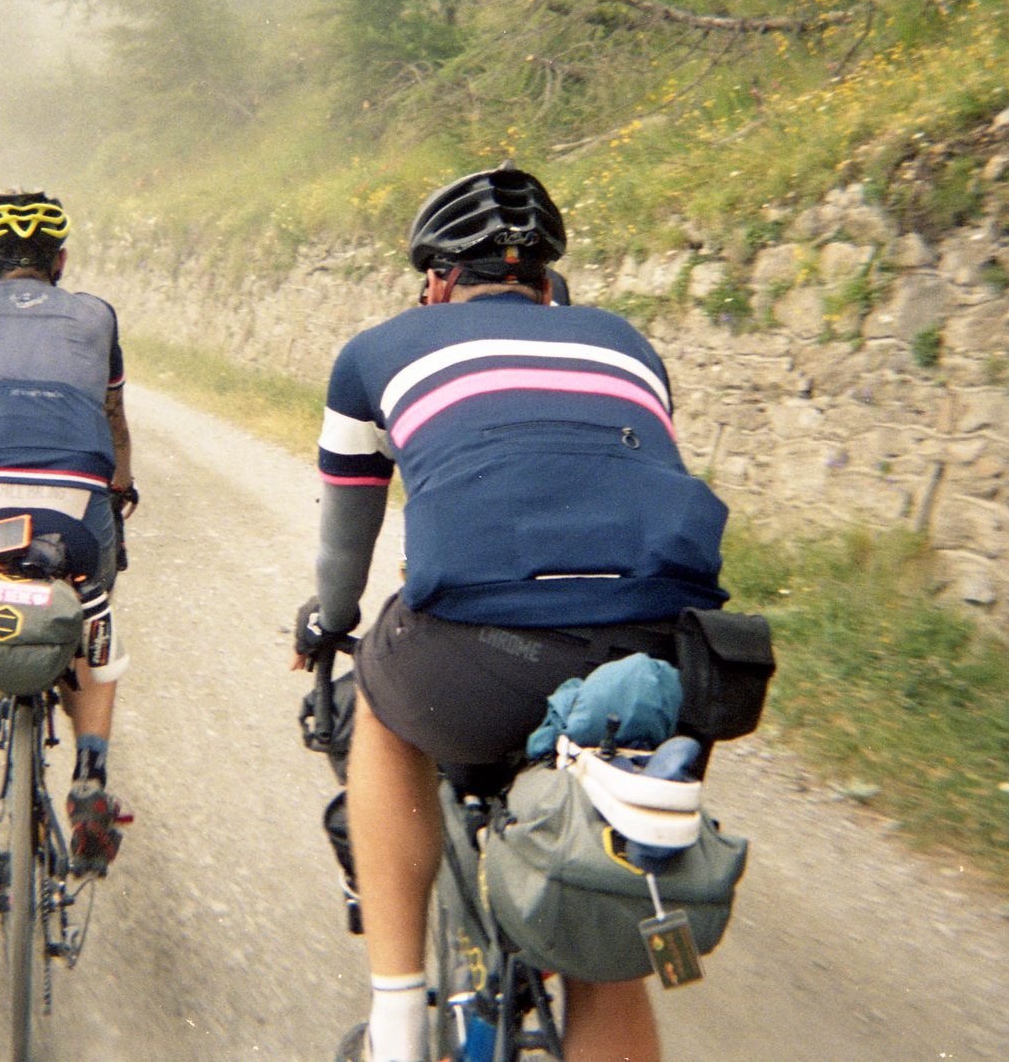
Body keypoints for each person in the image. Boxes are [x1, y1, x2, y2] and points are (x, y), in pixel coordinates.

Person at [293, 166, 729, 1062]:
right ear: (546, 282)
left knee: (381, 698)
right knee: (598, 912)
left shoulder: (375, 351)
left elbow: (344, 551)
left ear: (439, 279)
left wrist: (329, 622)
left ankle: (396, 1023)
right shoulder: (627, 343)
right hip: (661, 659)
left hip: (479, 660)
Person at [0, 190, 136, 876]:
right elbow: (114, 423)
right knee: (92, 609)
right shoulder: (97, 315)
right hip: (78, 503)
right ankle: (90, 780)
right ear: (60, 261)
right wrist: (121, 489)